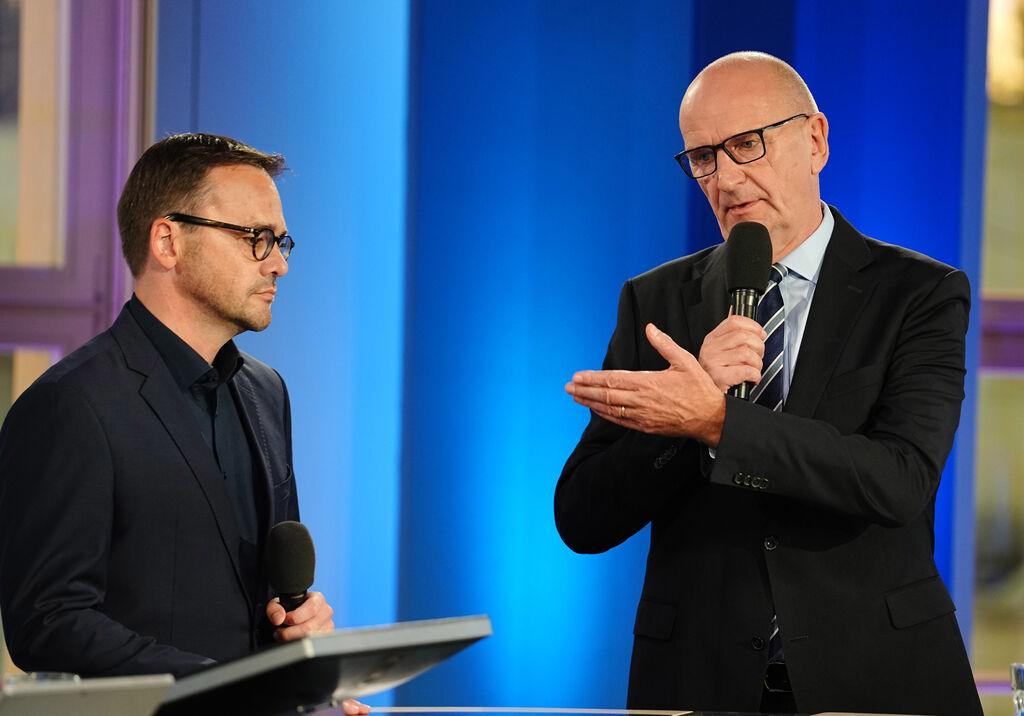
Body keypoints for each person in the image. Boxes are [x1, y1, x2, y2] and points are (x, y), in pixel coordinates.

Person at [555, 52, 982, 715]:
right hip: (700, 679)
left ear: (815, 140)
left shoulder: (919, 294)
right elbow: (582, 517)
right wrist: (675, 427)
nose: (725, 177)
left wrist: (721, 425)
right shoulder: (658, 301)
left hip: (877, 676)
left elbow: (899, 479)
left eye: (746, 145)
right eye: (702, 157)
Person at [0, 133, 367, 711]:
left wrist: (304, 643)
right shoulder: (70, 404)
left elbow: (267, 594)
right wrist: (227, 686)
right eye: (256, 239)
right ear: (168, 241)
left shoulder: (267, 392)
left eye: (282, 241)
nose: (280, 263)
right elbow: (48, 621)